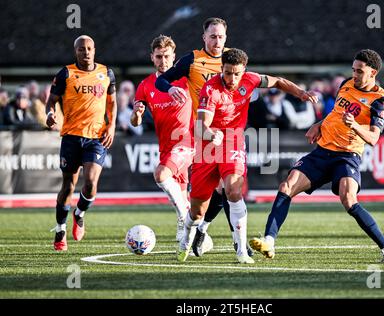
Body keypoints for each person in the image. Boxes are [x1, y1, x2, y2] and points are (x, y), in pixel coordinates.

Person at [249, 49, 384, 265]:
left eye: (360, 71)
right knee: (286, 186)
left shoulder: (380, 101)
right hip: (323, 152)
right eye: (353, 70)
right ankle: (269, 241)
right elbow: (336, 113)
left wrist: (355, 126)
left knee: (349, 200)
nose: (355, 74)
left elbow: (374, 138)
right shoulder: (346, 84)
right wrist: (319, 124)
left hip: (347, 156)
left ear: (373, 72)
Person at [176, 48, 318, 263]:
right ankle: (188, 236)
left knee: (234, 190)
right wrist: (210, 133)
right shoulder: (210, 89)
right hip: (207, 146)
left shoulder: (250, 79)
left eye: (236, 73)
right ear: (221, 69)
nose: (232, 78)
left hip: (233, 141)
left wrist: (300, 93)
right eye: (227, 73)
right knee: (196, 212)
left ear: (244, 71)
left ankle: (241, 250)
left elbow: (278, 81)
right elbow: (200, 125)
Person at [155, 17, 250, 256]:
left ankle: (239, 243)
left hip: (230, 134)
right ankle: (199, 228)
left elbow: (251, 82)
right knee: (212, 193)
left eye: (221, 37)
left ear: (226, 38)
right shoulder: (192, 60)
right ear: (204, 38)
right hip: (203, 135)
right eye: (212, 36)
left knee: (231, 188)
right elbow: (162, 80)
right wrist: (172, 88)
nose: (217, 41)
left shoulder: (234, 60)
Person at [46, 35, 117, 251]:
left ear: (94, 49)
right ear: (75, 51)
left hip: (96, 137)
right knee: (68, 185)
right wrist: (49, 113)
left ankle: (79, 213)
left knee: (91, 183)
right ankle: (60, 229)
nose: (85, 52)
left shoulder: (106, 73)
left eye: (89, 48)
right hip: (71, 137)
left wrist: (111, 126)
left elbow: (112, 104)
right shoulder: (66, 73)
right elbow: (52, 100)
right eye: (81, 49)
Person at [130, 35, 193, 242]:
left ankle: (187, 220)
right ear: (152, 58)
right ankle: (187, 228)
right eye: (159, 57)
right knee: (180, 195)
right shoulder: (146, 85)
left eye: (166, 56)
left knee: (161, 175)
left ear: (173, 56)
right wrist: (137, 114)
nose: (163, 61)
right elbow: (134, 122)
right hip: (166, 146)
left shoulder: (187, 79)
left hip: (187, 142)